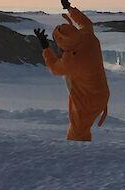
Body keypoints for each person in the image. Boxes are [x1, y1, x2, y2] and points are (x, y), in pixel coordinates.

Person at [34, 0, 110, 141]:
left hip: (88, 101)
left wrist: (45, 48)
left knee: (77, 134)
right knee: (79, 131)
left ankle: (78, 159)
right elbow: (86, 24)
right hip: (101, 92)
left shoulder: (71, 60)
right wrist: (69, 8)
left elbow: (55, 68)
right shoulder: (88, 37)